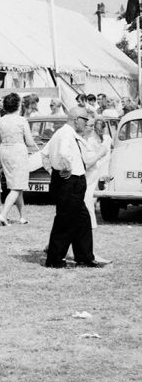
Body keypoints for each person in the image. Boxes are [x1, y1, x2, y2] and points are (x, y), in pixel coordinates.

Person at [42, 107, 110, 268]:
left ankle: (84, 256)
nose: (86, 123)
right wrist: (65, 169)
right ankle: (55, 259)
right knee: (65, 220)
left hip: (71, 181)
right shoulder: (65, 134)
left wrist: (54, 171)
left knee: (82, 219)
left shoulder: (64, 133)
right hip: (70, 182)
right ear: (76, 119)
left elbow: (44, 154)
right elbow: (64, 153)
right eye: (85, 120)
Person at [0, 92, 38, 226]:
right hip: (18, 152)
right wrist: (38, 148)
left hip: (4, 151)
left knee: (15, 185)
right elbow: (30, 142)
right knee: (18, 186)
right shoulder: (22, 120)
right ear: (18, 106)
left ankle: (22, 216)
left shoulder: (0, 121)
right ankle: (3, 214)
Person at [83, 117, 112, 234]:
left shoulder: (105, 139)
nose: (98, 131)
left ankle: (91, 219)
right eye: (97, 128)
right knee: (90, 195)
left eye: (100, 129)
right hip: (97, 168)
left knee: (92, 194)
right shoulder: (93, 139)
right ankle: (90, 220)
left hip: (101, 168)